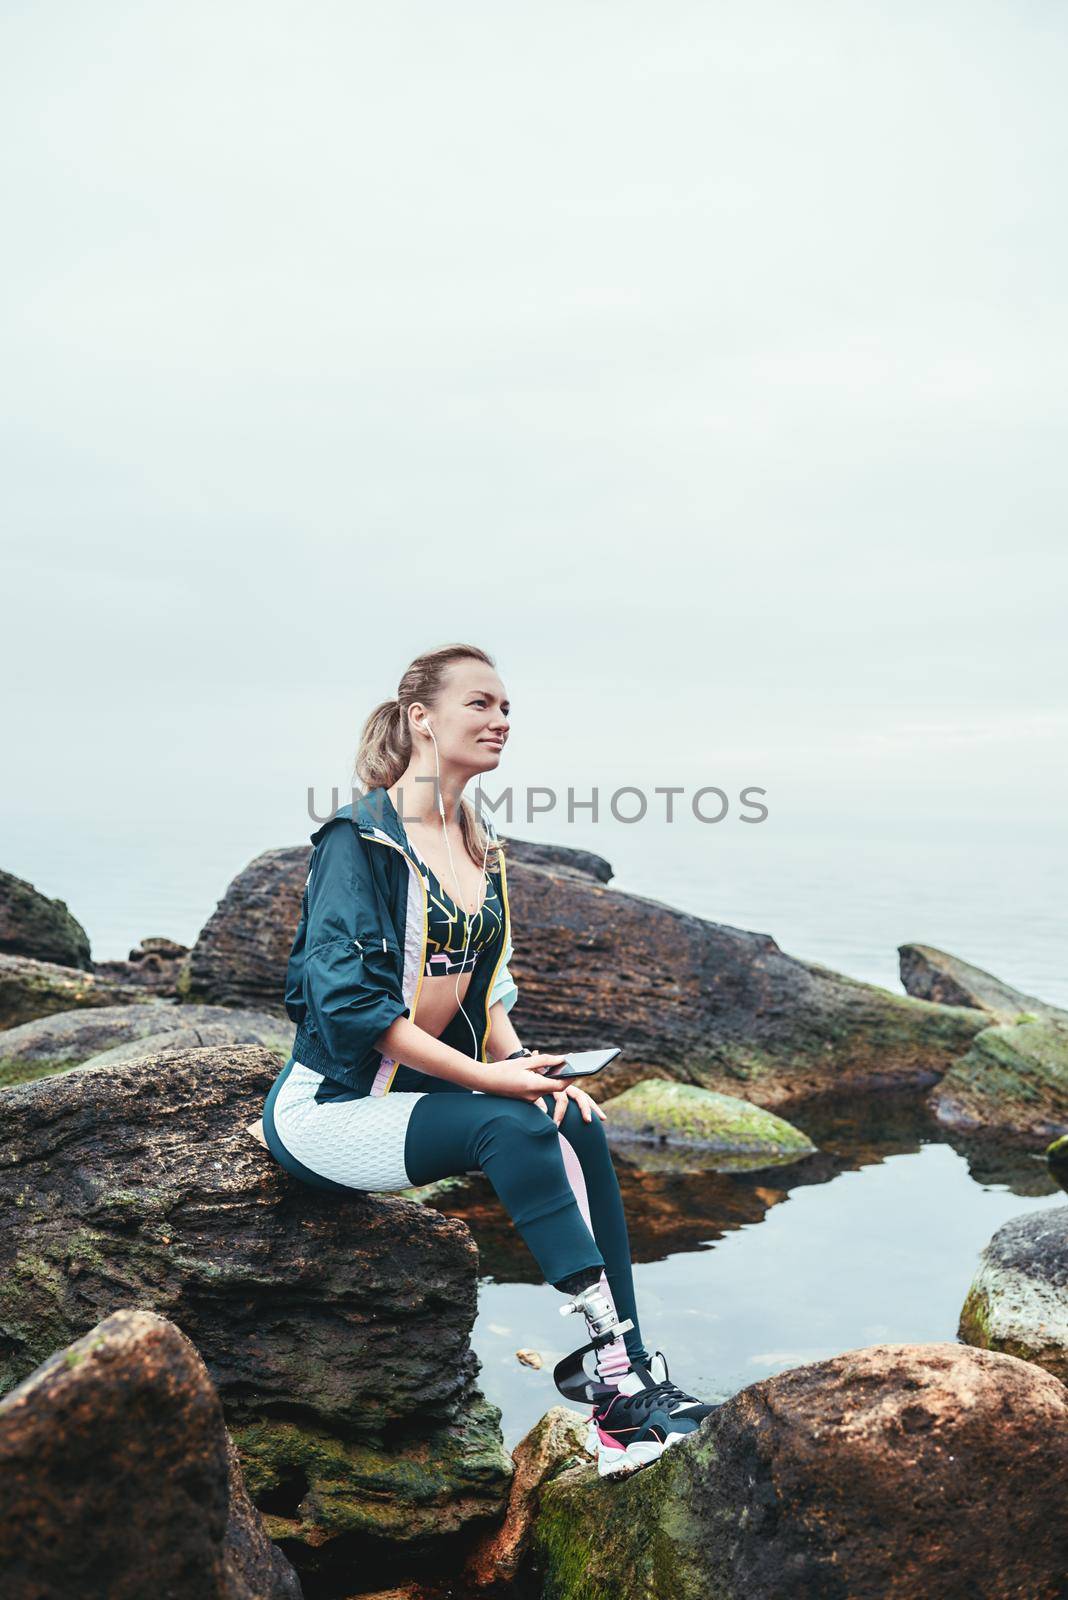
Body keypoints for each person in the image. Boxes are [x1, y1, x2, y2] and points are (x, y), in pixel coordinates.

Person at [259, 642, 719, 1475]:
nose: (501, 720)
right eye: (481, 703)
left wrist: (528, 1065)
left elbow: (488, 983)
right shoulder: (357, 841)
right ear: (421, 719)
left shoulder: (479, 837)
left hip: (421, 1098)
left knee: (568, 1121)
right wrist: (489, 1079)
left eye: (507, 707)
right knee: (511, 1128)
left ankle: (628, 1373)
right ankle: (613, 1394)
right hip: (332, 1111)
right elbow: (351, 1006)